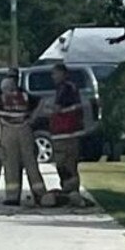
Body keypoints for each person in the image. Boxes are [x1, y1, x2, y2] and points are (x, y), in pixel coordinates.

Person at [0, 70, 46, 205]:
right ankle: (40, 194)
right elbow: (41, 102)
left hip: (8, 130)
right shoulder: (24, 94)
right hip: (25, 129)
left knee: (10, 164)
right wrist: (32, 118)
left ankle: (12, 197)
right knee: (30, 162)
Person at [50, 62, 84, 200]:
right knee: (68, 163)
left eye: (55, 73)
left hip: (65, 132)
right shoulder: (68, 88)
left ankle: (70, 191)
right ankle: (70, 190)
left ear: (63, 73)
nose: (53, 76)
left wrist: (47, 109)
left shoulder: (65, 88)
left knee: (64, 163)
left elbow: (58, 108)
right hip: (68, 131)